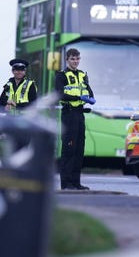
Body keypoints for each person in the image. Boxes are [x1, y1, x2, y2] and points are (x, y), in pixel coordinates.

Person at [55, 48, 96, 191]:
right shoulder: (61, 75)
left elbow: (88, 90)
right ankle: (66, 184)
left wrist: (91, 98)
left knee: (79, 149)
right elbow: (60, 94)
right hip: (69, 114)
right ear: (67, 59)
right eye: (72, 59)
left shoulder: (82, 75)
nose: (75, 61)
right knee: (69, 149)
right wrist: (79, 97)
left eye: (77, 59)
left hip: (80, 114)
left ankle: (76, 183)